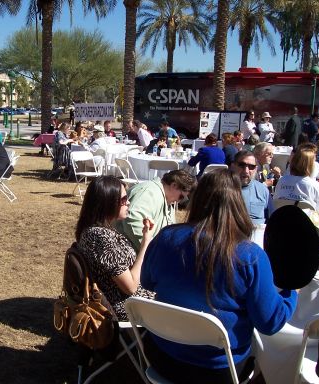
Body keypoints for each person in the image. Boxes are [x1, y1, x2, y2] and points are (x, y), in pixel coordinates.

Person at [141, 169, 298, 383]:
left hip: (162, 356)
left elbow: (147, 281)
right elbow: (270, 323)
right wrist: (293, 291)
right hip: (216, 370)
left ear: (197, 200)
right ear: (237, 204)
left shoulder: (166, 237)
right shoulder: (250, 256)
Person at [75, 175, 154, 321]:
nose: (129, 203)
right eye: (124, 200)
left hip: (129, 301)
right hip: (127, 306)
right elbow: (130, 287)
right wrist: (145, 245)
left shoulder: (92, 230)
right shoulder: (101, 238)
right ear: (108, 203)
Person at [115, 170, 196, 252]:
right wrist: (153, 251)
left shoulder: (166, 199)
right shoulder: (149, 192)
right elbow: (132, 220)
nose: (179, 201)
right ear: (174, 185)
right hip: (124, 255)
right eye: (181, 197)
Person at [274, 143, 319, 216]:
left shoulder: (282, 180)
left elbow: (276, 201)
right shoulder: (316, 186)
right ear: (311, 165)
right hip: (306, 223)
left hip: (283, 220)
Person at [230, 150, 271, 224]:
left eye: (251, 166)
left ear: (256, 169)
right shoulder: (222, 188)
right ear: (233, 166)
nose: (246, 171)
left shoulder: (262, 190)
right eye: (241, 165)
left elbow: (271, 219)